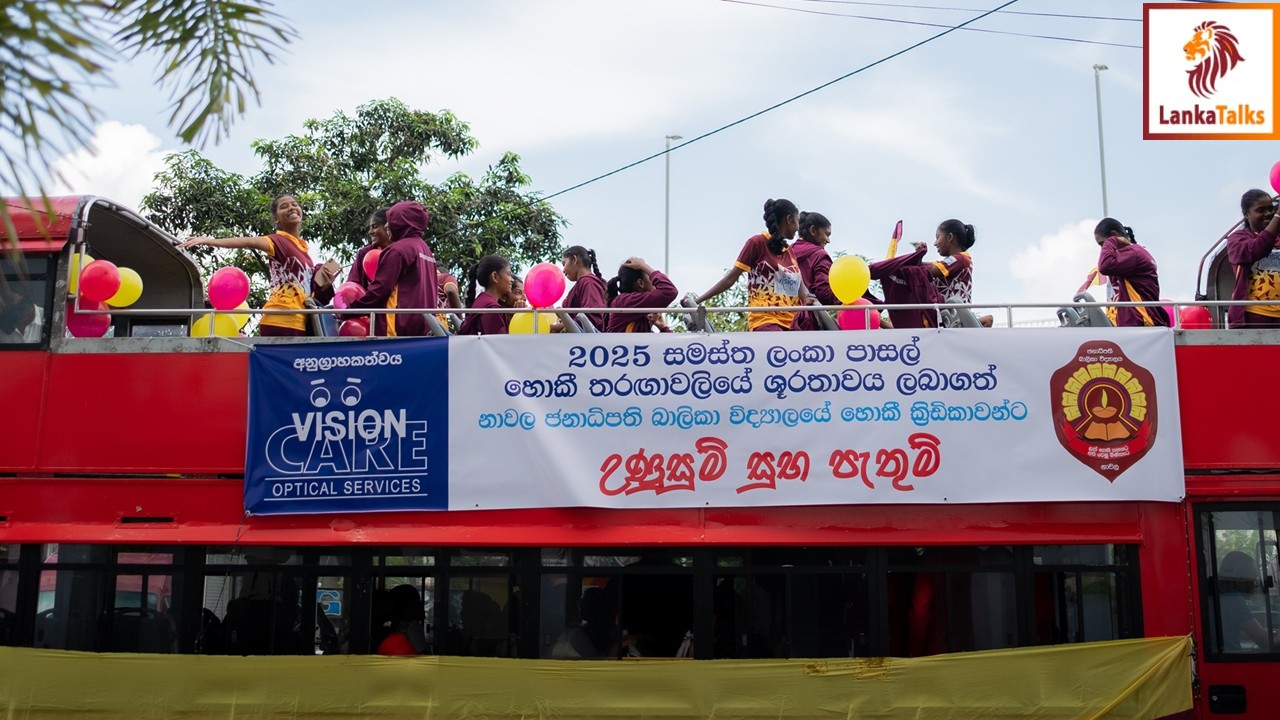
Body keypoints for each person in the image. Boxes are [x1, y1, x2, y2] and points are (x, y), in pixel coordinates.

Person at [179, 194, 337, 336]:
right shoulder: (277, 241)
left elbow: (304, 291)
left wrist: (323, 286)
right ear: (276, 219)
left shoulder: (303, 250)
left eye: (294, 204)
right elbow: (248, 241)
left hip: (301, 320)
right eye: (284, 206)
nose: (291, 208)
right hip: (280, 319)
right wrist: (208, 241)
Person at [696, 198, 807, 331]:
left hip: (793, 323)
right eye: (797, 221)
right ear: (789, 219)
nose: (798, 228)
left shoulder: (789, 252)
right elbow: (730, 278)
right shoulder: (757, 243)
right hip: (766, 320)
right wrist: (697, 301)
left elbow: (802, 290)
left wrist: (814, 303)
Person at [348, 200, 438, 337]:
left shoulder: (397, 250)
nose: (388, 226)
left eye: (391, 220)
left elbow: (379, 290)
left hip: (396, 329)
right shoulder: (426, 250)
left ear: (402, 222)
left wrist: (350, 310)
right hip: (424, 328)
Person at [1093, 218, 1170, 327]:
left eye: (1103, 244)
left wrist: (1111, 241)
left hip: (1141, 323)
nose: (1103, 249)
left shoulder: (1133, 254)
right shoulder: (1133, 254)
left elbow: (1105, 266)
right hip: (1137, 323)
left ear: (1114, 235)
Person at [1226, 189, 1280, 329]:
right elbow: (1258, 248)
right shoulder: (1237, 239)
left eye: (1271, 208)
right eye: (1261, 210)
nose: (1269, 213)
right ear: (1246, 214)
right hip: (1254, 315)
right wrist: (1278, 217)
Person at [789, 211, 842, 332]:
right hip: (807, 322)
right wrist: (845, 299)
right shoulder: (819, 255)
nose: (828, 240)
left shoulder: (787, 252)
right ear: (813, 230)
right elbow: (823, 291)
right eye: (827, 234)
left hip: (783, 317)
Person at [1216, 551, 1279, 652]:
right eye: (1254, 579)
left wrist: (1271, 632)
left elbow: (1229, 631)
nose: (1256, 584)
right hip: (1232, 662)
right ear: (1239, 579)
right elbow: (1265, 642)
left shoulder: (1221, 595)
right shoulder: (1232, 600)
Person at [605, 257, 678, 333]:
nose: (654, 282)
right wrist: (644, 266)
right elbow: (669, 291)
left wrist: (663, 328)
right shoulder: (625, 301)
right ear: (641, 283)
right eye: (650, 277)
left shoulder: (637, 312)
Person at [457, 255, 513, 336]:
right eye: (509, 274)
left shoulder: (483, 301)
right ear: (495, 276)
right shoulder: (491, 309)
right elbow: (499, 345)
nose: (512, 279)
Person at [555, 245, 607, 332]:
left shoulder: (589, 282)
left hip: (585, 342)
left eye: (564, 264)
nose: (563, 270)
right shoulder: (582, 283)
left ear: (574, 260)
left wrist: (552, 328)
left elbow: (590, 318)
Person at [348, 208, 391, 289]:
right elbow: (353, 286)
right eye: (370, 228)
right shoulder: (364, 253)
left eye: (375, 227)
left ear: (388, 227)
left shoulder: (401, 252)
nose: (370, 232)